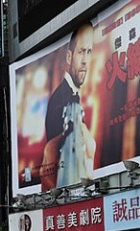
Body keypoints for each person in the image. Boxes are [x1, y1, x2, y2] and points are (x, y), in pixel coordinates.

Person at [40, 22, 96, 190]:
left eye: (89, 52)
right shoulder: (60, 101)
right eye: (81, 52)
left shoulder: (74, 97)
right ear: (69, 57)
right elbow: (54, 162)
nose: (85, 61)